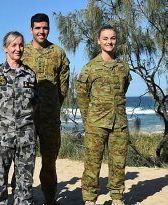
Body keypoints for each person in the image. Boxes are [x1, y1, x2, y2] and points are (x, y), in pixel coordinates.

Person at [11, 13, 70, 205]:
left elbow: (63, 86)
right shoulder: (22, 51)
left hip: (50, 119)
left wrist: (53, 106)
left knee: (49, 161)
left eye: (44, 28)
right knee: (22, 161)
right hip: (26, 118)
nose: (41, 31)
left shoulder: (58, 52)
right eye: (37, 28)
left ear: (49, 29)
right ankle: (20, 197)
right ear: (31, 30)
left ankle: (50, 198)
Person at [0, 31, 39, 205]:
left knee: (25, 185)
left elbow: (35, 104)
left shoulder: (30, 75)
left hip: (26, 139)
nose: (18, 49)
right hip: (1, 139)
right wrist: (0, 125)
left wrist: (22, 124)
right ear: (5, 48)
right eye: (13, 45)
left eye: (21, 45)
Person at [76, 25, 131, 205]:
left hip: (119, 123)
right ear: (99, 41)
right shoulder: (90, 67)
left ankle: (117, 197)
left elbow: (124, 90)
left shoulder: (123, 67)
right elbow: (82, 96)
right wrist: (88, 120)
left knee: (118, 163)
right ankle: (90, 199)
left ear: (117, 40)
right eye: (105, 38)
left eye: (113, 38)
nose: (109, 42)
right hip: (96, 124)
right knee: (92, 163)